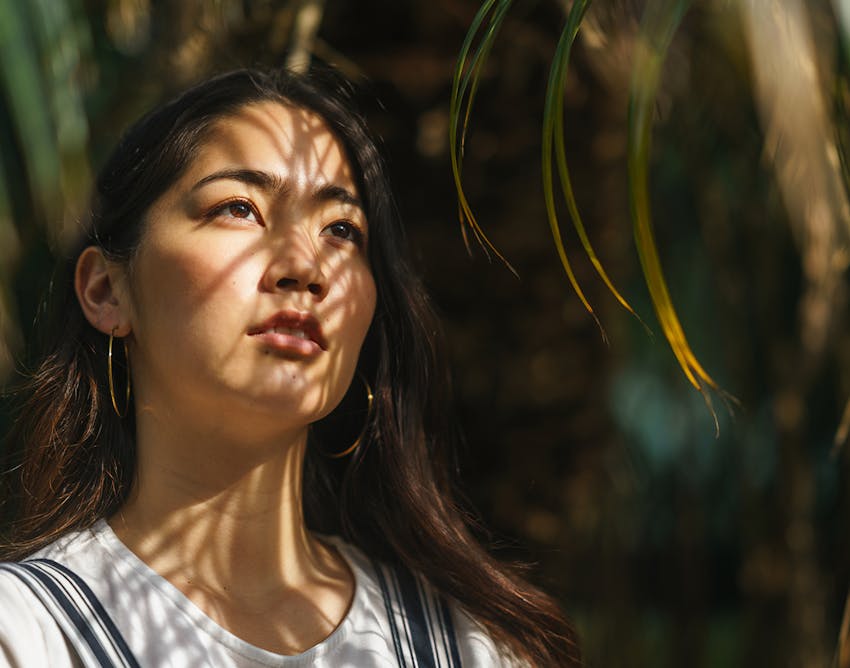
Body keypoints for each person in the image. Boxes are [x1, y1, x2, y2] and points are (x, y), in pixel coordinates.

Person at [0, 66, 581, 666]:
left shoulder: (468, 646)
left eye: (341, 229)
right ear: (105, 290)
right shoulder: (32, 636)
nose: (305, 264)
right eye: (238, 208)